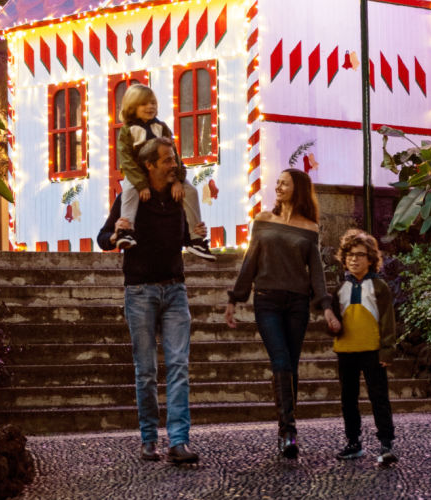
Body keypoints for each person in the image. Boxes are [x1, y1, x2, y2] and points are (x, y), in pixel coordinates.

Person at [98, 137, 204, 465]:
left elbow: (184, 239)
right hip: (140, 291)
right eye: (168, 160)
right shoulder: (131, 198)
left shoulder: (178, 196)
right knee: (145, 371)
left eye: (174, 159)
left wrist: (197, 233)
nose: (174, 165)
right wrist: (116, 234)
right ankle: (148, 438)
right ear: (150, 166)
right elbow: (103, 239)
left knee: (179, 367)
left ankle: (179, 441)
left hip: (175, 290)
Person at [224, 168, 340, 459]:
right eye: (277, 183)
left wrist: (325, 307)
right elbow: (250, 261)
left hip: (297, 304)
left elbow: (316, 272)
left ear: (297, 189)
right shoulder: (263, 221)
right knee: (281, 360)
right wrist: (235, 298)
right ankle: (288, 431)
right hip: (267, 302)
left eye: (284, 184)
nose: (278, 187)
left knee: (291, 364)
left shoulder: (310, 227)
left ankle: (286, 427)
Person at [113, 83, 214, 261]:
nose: (150, 107)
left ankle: (196, 238)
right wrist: (141, 184)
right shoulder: (127, 131)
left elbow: (173, 154)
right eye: (144, 104)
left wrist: (177, 180)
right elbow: (126, 160)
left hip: (166, 173)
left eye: (153, 103)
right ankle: (125, 230)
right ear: (132, 106)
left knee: (190, 191)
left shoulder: (161, 127)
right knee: (129, 191)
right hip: (139, 174)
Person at [330, 229, 399, 465]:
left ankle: (386, 443)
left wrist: (387, 349)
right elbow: (332, 320)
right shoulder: (340, 289)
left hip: (372, 350)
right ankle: (353, 442)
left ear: (370, 259)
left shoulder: (379, 287)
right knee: (348, 399)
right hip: (346, 351)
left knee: (379, 397)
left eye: (360, 255)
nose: (354, 259)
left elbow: (388, 320)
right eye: (349, 254)